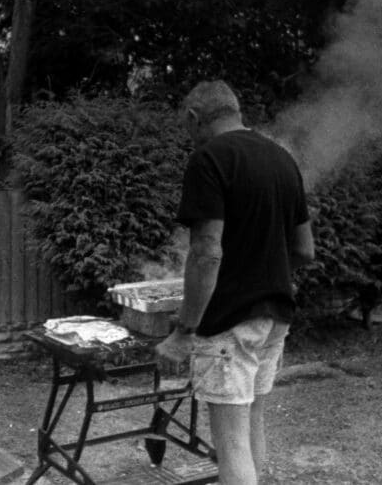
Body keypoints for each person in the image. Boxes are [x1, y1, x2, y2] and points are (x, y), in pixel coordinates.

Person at [155, 80, 315, 485]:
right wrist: (261, 270)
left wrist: (184, 332)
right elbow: (304, 250)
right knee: (251, 425)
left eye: (186, 127)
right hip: (275, 316)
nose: (188, 137)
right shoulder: (282, 159)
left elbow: (207, 251)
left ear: (194, 118)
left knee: (231, 444)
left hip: (230, 325)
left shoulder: (209, 159)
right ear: (235, 111)